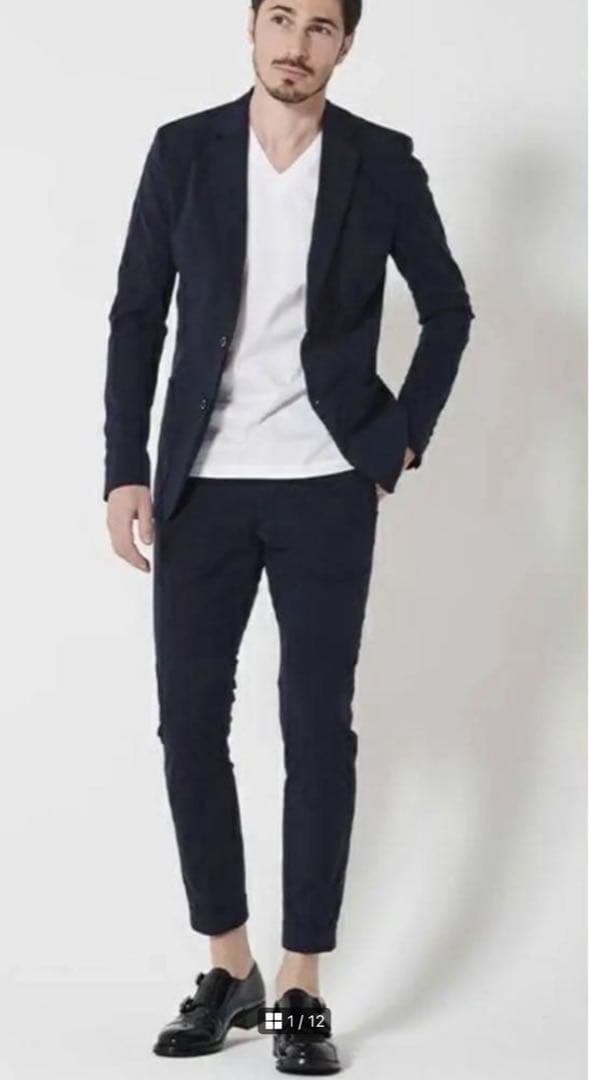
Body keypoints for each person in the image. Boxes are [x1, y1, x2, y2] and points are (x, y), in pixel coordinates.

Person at [103, 0, 475, 1072]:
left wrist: (398, 439)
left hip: (324, 486)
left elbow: (447, 309)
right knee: (188, 726)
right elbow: (137, 314)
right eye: (280, 18)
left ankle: (302, 981)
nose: (295, 45)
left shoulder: (380, 162)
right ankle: (230, 968)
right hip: (200, 488)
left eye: (319, 27)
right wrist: (125, 466)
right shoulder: (184, 151)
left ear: (345, 44)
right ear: (250, 28)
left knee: (316, 730)